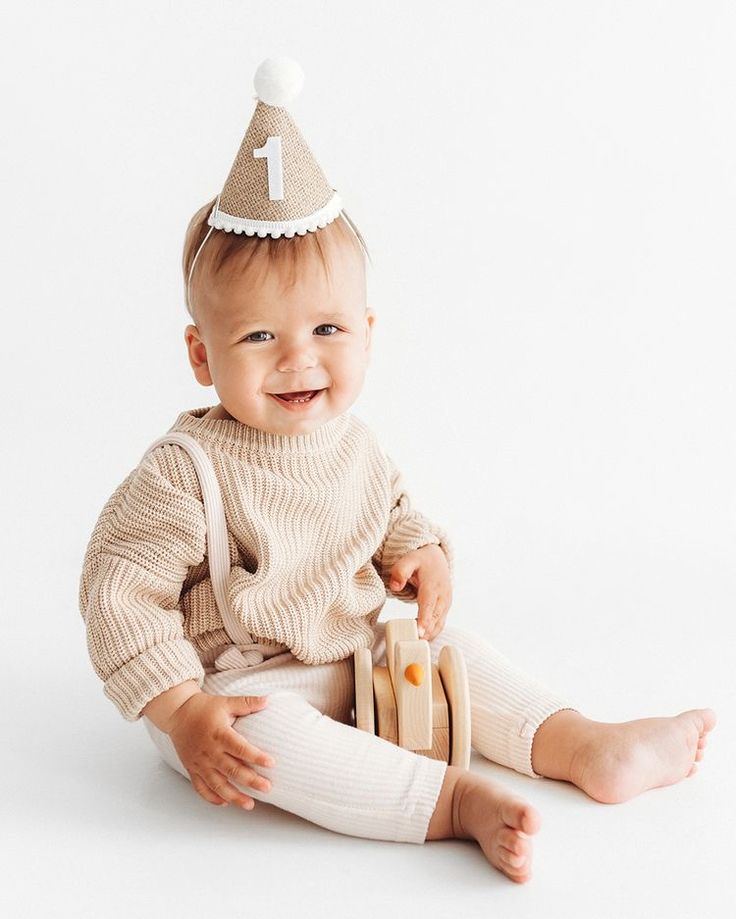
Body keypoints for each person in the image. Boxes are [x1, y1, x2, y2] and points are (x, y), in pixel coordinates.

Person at [78, 58, 716, 885]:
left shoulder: (357, 444)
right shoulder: (184, 471)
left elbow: (391, 512)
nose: (299, 360)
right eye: (260, 338)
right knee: (269, 743)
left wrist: (422, 554)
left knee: (455, 652)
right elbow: (117, 589)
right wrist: (181, 708)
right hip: (233, 686)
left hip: (359, 652)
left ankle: (580, 743)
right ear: (202, 354)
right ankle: (450, 803)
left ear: (369, 332)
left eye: (329, 328)